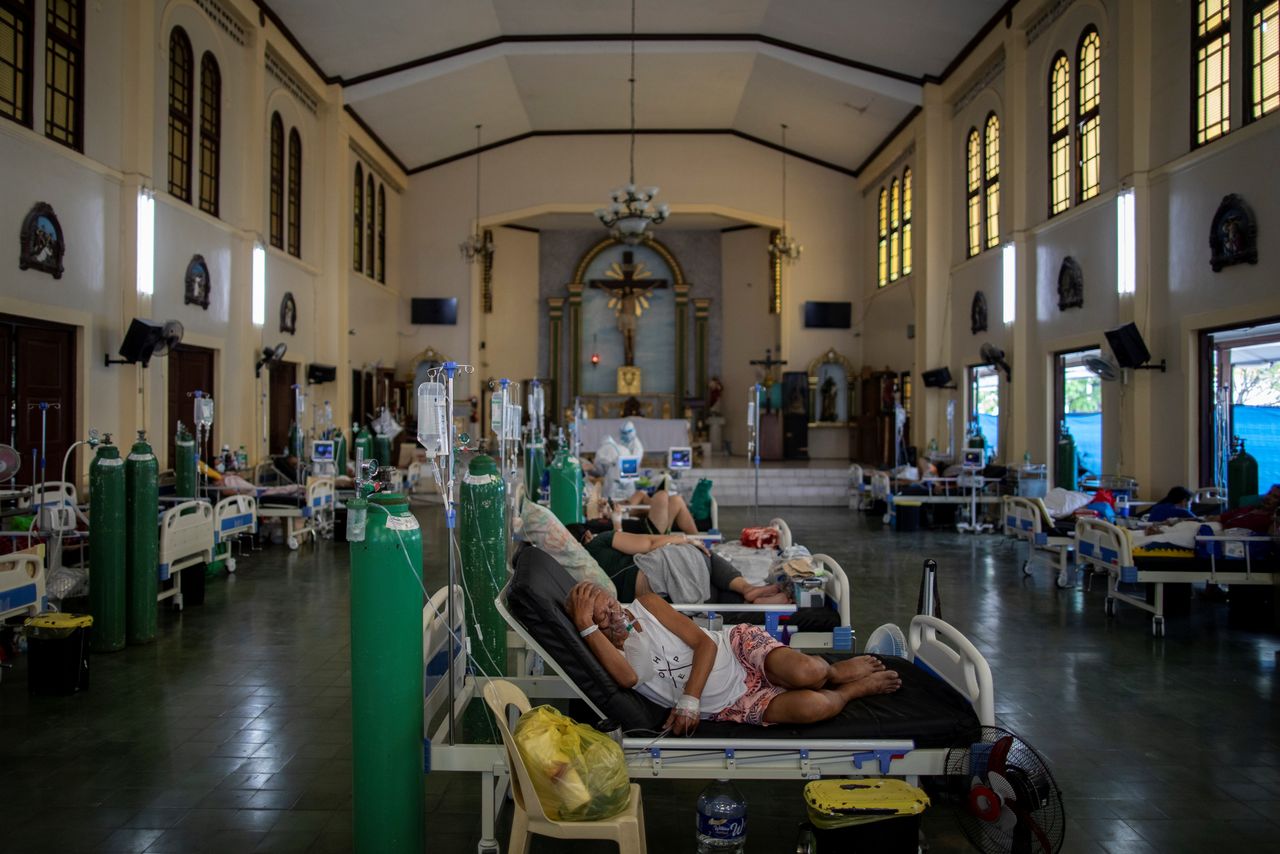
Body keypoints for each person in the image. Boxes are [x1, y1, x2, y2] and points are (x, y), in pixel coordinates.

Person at [566, 582, 901, 732]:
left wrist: (689, 700)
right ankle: (851, 691)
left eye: (610, 605)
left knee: (806, 673)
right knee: (812, 707)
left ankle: (834, 673)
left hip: (736, 650)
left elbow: (705, 645)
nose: (614, 617)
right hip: (732, 703)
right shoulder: (608, 651)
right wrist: (585, 625)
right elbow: (628, 678)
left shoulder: (647, 605)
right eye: (602, 620)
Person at [569, 524, 787, 606]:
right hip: (657, 571)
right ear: (587, 534)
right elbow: (649, 544)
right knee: (706, 556)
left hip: (649, 596)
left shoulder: (575, 576)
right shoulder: (599, 541)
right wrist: (685, 539)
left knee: (713, 598)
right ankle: (748, 589)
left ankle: (753, 603)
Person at [589, 421, 645, 502]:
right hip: (626, 477)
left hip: (619, 477)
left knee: (611, 501)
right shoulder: (621, 445)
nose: (625, 435)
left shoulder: (637, 447)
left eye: (627, 433)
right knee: (628, 501)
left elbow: (599, 469)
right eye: (623, 433)